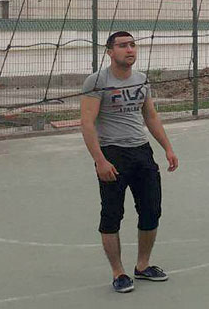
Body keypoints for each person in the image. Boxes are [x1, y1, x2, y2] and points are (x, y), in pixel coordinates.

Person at [80, 31, 179, 294]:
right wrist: (100, 160)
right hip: (112, 153)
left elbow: (151, 116)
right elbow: (87, 123)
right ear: (110, 52)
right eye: (123, 46)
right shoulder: (97, 80)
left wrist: (167, 148)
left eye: (133, 45)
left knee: (151, 210)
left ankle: (143, 266)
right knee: (112, 214)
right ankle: (118, 272)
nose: (130, 50)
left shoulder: (141, 79)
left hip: (141, 152)